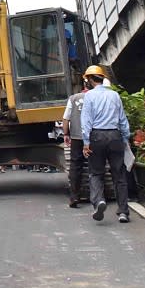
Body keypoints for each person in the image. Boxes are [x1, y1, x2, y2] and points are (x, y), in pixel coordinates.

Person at [80, 65, 131, 223]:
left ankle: (99, 201)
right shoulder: (114, 95)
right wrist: (124, 138)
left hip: (97, 136)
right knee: (119, 175)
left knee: (96, 173)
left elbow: (86, 121)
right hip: (115, 136)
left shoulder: (89, 96)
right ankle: (123, 212)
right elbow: (123, 120)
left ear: (89, 80)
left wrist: (86, 142)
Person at [63, 76, 92, 208]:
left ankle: (74, 196)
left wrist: (66, 134)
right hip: (93, 136)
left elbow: (66, 119)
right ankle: (98, 196)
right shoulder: (96, 96)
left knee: (75, 166)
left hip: (76, 137)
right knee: (95, 164)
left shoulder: (73, 98)